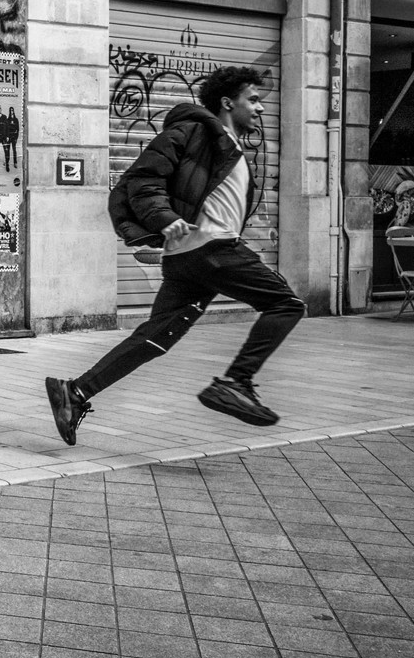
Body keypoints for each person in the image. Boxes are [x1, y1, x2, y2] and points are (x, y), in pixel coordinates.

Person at [45, 66, 305, 445]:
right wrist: (164, 218)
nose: (260, 109)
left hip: (190, 257)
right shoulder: (194, 132)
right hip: (213, 249)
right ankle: (236, 382)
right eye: (253, 100)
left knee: (157, 335)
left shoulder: (229, 146)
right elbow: (142, 180)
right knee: (286, 304)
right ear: (227, 102)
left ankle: (76, 392)